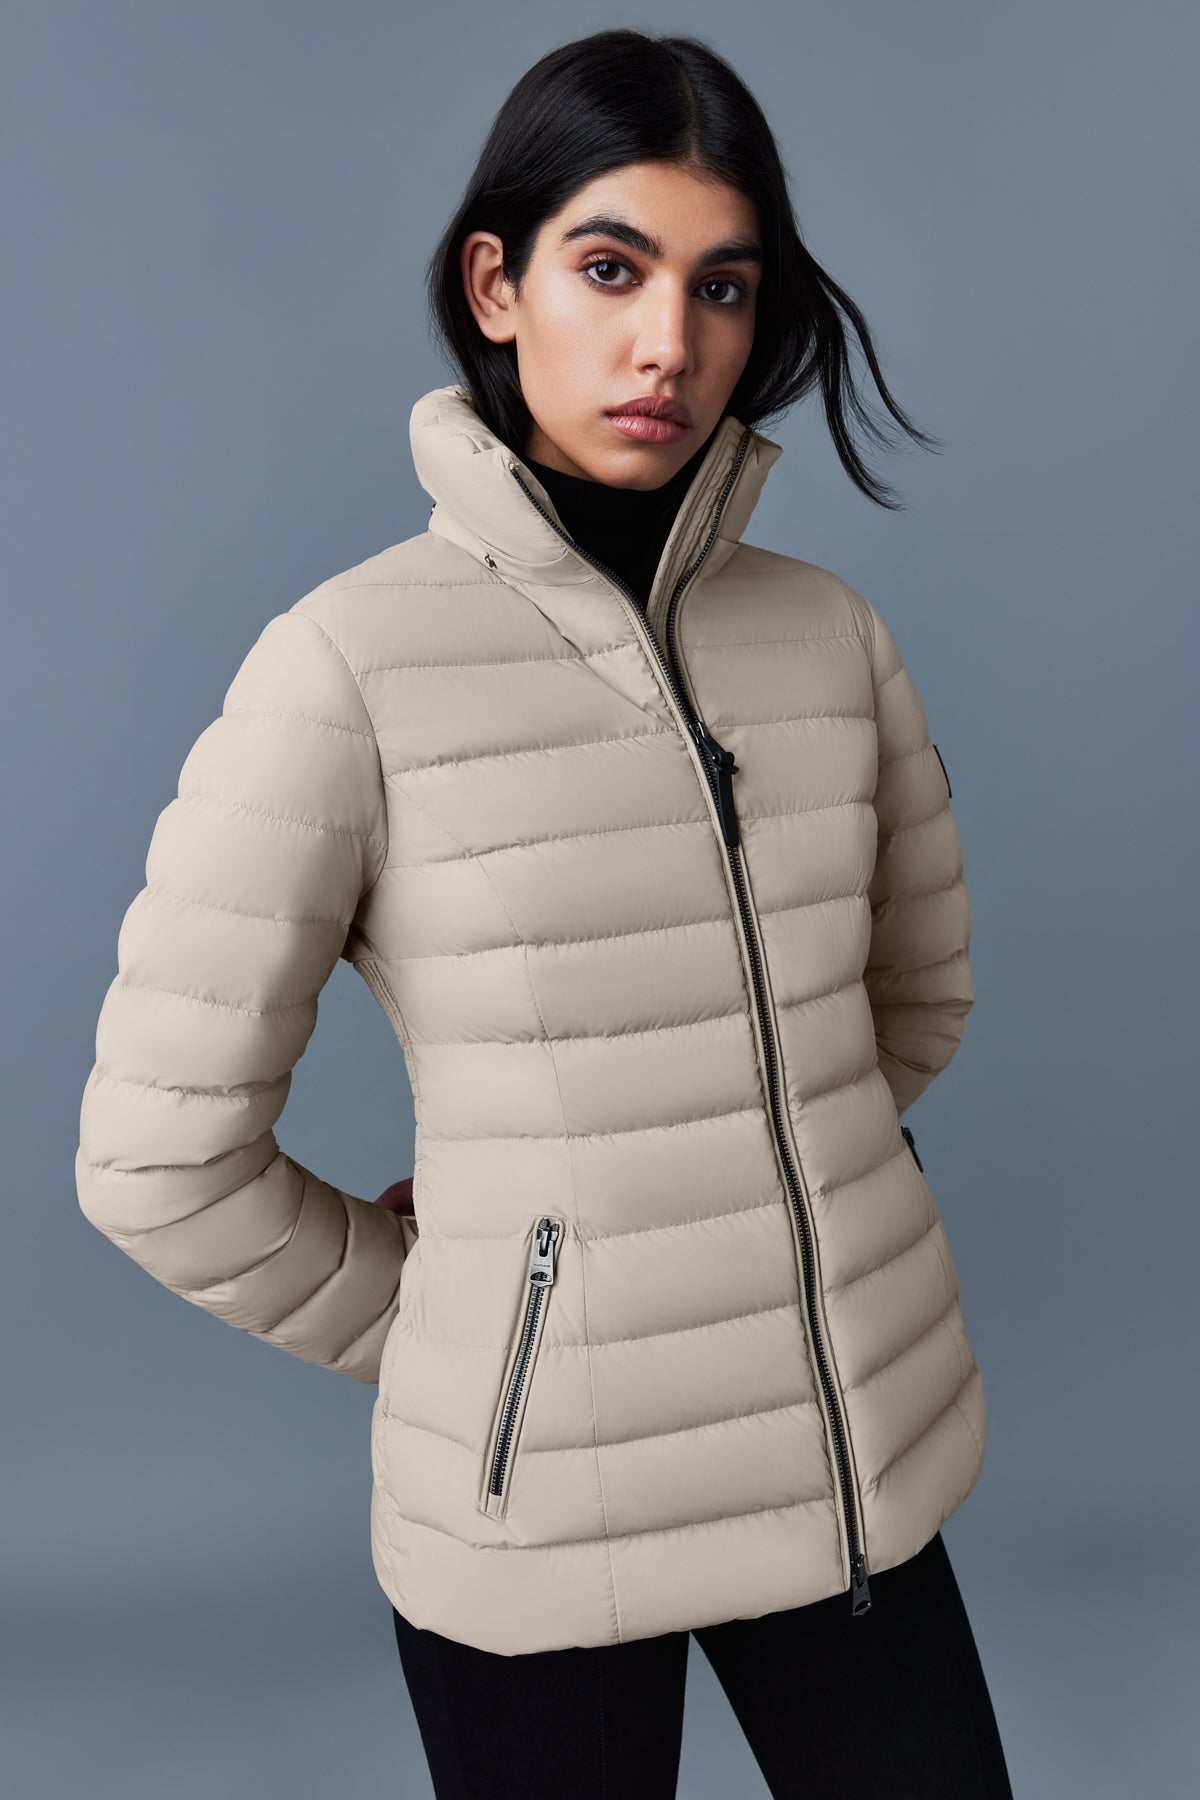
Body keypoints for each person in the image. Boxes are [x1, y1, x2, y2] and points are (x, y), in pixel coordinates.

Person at [75, 27, 1013, 1800]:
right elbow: (155, 1160)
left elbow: (911, 1009)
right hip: (535, 1524)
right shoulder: (347, 665)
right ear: (496, 286)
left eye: (721, 286)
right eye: (611, 269)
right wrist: (481, 1327)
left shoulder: (830, 639)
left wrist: (739, 1221)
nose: (671, 344)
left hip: (849, 1471)